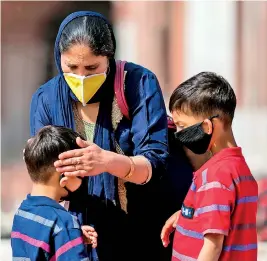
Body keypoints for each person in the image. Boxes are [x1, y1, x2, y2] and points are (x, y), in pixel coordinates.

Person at [30, 10, 191, 261]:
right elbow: (46, 177)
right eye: (71, 67)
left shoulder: (138, 83)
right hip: (83, 234)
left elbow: (155, 161)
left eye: (92, 67)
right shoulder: (47, 99)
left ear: (109, 58)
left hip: (146, 230)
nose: (81, 77)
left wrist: (107, 162)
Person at [161, 72, 258, 261]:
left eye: (183, 126)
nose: (180, 134)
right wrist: (187, 215)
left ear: (207, 126)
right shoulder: (237, 167)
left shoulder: (215, 176)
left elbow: (212, 246)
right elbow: (227, 215)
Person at [11, 126, 98, 261]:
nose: (84, 176)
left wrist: (73, 236)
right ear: (65, 175)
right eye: (80, 172)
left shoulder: (22, 212)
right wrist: (69, 233)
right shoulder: (64, 223)